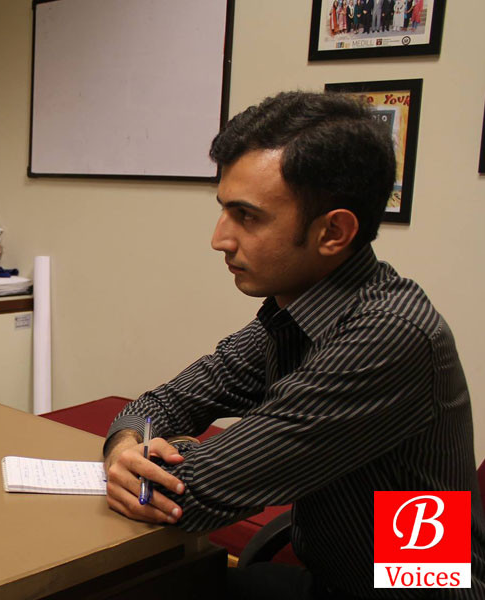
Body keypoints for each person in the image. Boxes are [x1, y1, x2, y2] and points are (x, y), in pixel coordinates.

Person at [102, 91, 484, 599]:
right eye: (224, 211)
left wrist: (159, 458)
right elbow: (161, 404)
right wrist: (127, 445)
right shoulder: (297, 313)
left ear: (334, 232)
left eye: (248, 216)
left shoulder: (391, 337)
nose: (220, 238)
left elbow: (193, 495)